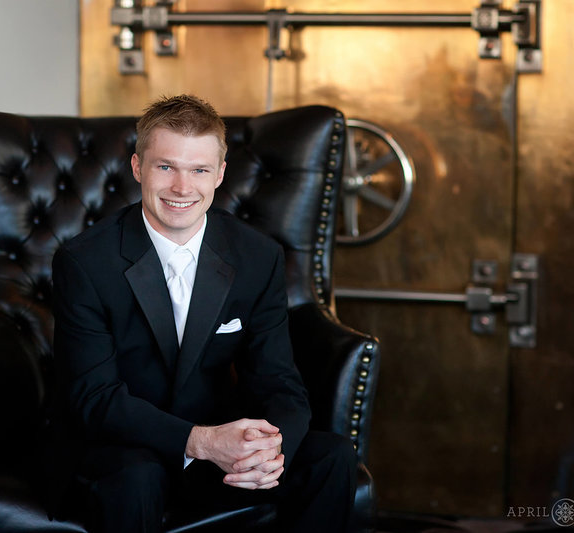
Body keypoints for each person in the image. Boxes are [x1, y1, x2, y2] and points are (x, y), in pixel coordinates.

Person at [47, 94, 357, 532]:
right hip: (122, 447)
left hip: (219, 446)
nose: (182, 187)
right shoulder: (85, 261)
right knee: (138, 478)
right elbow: (94, 400)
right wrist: (204, 442)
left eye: (199, 170)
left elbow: (278, 381)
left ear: (220, 174)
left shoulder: (257, 255)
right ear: (138, 167)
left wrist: (267, 449)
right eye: (165, 166)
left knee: (333, 457)